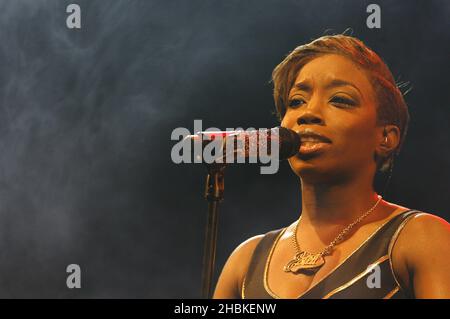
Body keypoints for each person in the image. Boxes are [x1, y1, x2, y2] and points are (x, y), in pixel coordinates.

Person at [213, 34, 450, 299]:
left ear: (386, 137)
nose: (308, 113)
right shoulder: (246, 262)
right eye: (296, 102)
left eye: (340, 100)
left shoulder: (422, 238)